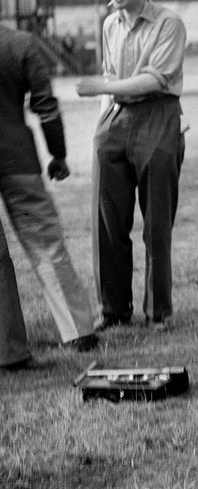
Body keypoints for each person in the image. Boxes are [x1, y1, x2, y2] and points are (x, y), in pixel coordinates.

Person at [76, 0, 187, 331]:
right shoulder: (109, 25)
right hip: (116, 117)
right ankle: (113, 310)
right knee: (108, 220)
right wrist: (105, 116)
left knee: (156, 222)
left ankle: (158, 312)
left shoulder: (168, 23)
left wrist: (101, 88)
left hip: (157, 113)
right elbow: (112, 74)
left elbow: (156, 80)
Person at [0, 25, 99, 369]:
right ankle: (78, 330)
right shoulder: (21, 43)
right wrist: (58, 154)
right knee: (46, 244)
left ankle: (8, 350)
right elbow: (45, 104)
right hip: (18, 159)